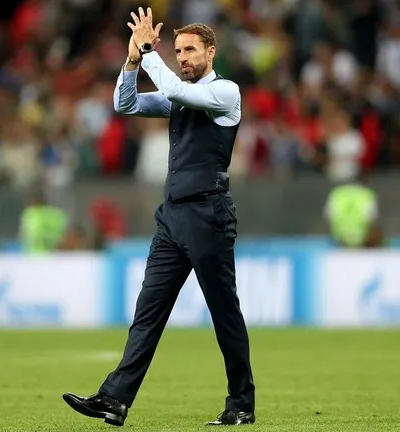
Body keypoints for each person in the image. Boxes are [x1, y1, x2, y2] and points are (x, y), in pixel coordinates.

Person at [62, 8, 255, 427]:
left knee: (223, 312)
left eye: (190, 50)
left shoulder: (225, 92)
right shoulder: (177, 94)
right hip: (172, 216)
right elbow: (125, 103)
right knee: (148, 311)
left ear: (211, 52)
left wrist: (149, 50)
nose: (182, 57)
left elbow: (176, 90)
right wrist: (132, 60)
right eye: (178, 51)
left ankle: (241, 402)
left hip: (208, 214)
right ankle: (115, 399)